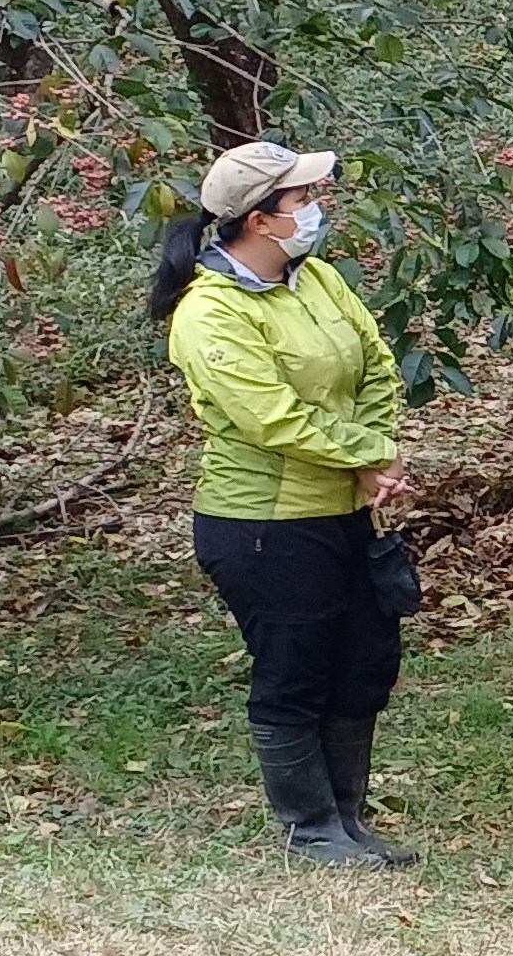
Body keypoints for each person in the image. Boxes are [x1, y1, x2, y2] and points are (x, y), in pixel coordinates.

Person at [158, 139, 417, 867]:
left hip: (346, 510)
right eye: (302, 200)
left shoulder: (321, 280)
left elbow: (376, 365)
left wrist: (373, 453)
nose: (316, 210)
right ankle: (310, 830)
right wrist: (369, 456)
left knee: (363, 662)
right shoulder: (208, 312)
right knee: (294, 669)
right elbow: (268, 416)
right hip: (264, 525)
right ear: (260, 219)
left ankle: (346, 821)